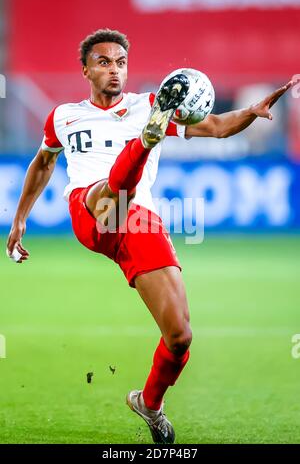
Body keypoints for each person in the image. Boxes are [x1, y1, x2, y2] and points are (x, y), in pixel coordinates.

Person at [6, 28, 294, 444]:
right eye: (104, 62)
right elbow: (42, 164)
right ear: (85, 69)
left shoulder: (148, 106)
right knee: (113, 194)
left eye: (121, 63)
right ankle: (142, 144)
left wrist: (251, 110)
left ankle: (150, 402)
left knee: (180, 337)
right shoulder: (64, 116)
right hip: (93, 211)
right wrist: (19, 220)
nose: (114, 70)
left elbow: (215, 127)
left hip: (140, 221)